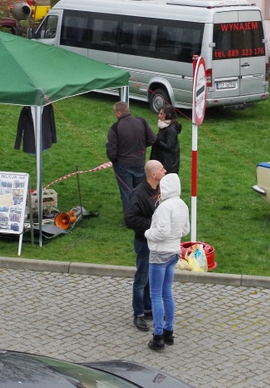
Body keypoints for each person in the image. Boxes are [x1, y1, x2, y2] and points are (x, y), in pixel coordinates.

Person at [144, 172, 190, 351]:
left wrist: (148, 233)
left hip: (160, 253)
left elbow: (161, 232)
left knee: (156, 295)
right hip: (174, 252)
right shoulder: (182, 204)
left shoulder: (164, 207)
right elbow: (185, 229)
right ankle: (169, 331)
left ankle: (158, 336)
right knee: (167, 292)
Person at [124, 160, 166, 332]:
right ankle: (139, 313)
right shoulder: (139, 194)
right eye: (162, 169)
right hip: (144, 242)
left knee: (151, 277)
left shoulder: (160, 189)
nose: (165, 171)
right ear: (153, 174)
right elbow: (130, 219)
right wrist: (154, 225)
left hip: (156, 243)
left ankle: (148, 308)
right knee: (141, 279)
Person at [106, 101, 156, 213]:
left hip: (122, 165)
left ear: (119, 112)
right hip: (139, 162)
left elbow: (111, 150)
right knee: (140, 191)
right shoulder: (141, 121)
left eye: (115, 112)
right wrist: (141, 146)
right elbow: (152, 139)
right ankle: (141, 215)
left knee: (127, 193)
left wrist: (115, 160)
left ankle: (130, 218)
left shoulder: (116, 127)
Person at [150, 105, 181, 175]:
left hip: (167, 165)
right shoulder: (164, 126)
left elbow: (169, 147)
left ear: (168, 115)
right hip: (161, 160)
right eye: (159, 113)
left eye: (161, 114)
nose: (159, 116)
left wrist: (156, 140)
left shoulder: (171, 130)